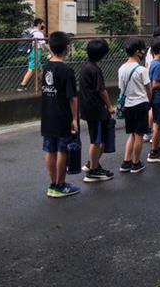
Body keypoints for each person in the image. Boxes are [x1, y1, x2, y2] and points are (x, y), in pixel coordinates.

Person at [41, 31, 80, 198]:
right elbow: (72, 97)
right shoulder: (67, 71)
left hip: (47, 114)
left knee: (50, 150)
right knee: (62, 149)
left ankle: (52, 184)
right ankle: (61, 185)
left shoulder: (46, 67)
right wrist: (74, 119)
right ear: (67, 48)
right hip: (63, 115)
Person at [79, 39, 115, 182]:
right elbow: (101, 90)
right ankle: (93, 171)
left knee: (97, 138)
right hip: (96, 109)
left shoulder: (86, 66)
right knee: (97, 141)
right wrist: (110, 106)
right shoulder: (94, 69)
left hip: (88, 108)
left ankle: (92, 164)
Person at [118, 39, 152, 174]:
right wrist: (149, 101)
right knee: (139, 134)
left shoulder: (121, 68)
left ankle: (126, 162)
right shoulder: (141, 70)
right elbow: (148, 89)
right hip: (141, 103)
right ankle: (136, 163)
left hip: (128, 105)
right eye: (142, 50)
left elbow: (121, 88)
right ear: (138, 52)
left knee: (131, 134)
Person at [18, 18, 47, 91]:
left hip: (31, 52)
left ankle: (46, 84)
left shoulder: (32, 32)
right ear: (39, 24)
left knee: (39, 69)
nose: (43, 25)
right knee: (32, 69)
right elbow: (43, 45)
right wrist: (50, 51)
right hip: (36, 52)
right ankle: (22, 85)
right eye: (42, 23)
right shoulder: (39, 33)